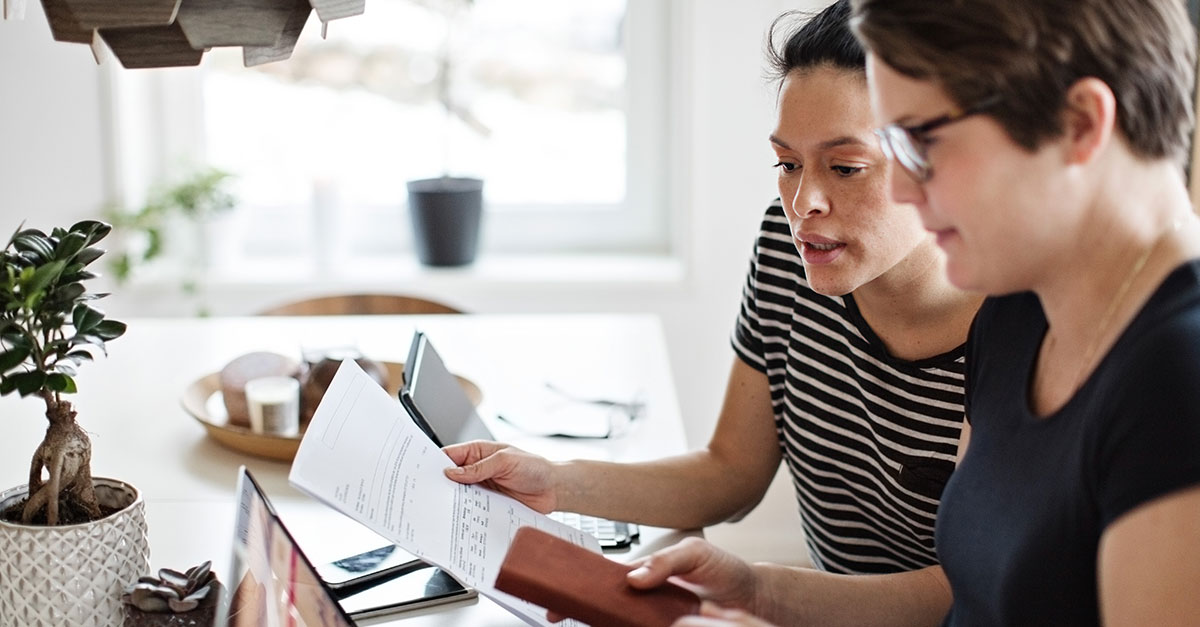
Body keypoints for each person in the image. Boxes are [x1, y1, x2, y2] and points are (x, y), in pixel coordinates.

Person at [626, 0, 1200, 624]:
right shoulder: (1015, 313)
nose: (903, 186)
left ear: (1080, 124)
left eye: (926, 142)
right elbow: (969, 599)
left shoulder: (1178, 373)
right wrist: (760, 595)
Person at [446, 1, 979, 622]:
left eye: (845, 168)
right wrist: (557, 481)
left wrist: (758, 591)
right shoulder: (789, 248)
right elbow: (731, 471)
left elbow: (969, 593)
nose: (803, 201)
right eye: (787, 164)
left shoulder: (1017, 324)